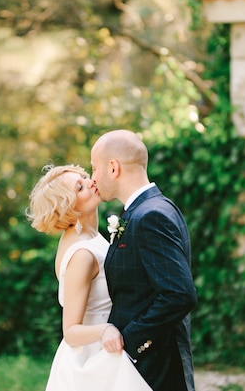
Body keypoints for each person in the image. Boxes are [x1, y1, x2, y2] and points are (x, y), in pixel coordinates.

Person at [27, 164, 152, 391]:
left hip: (108, 349)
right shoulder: (82, 254)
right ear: (69, 206)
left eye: (85, 177)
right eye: (80, 187)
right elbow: (71, 331)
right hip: (93, 358)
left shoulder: (91, 236)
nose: (91, 182)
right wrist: (106, 330)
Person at [90, 129, 198, 391]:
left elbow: (179, 294)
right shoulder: (148, 210)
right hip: (144, 365)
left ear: (113, 168)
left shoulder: (151, 216)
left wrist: (131, 342)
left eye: (94, 168)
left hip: (156, 367)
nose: (93, 177)